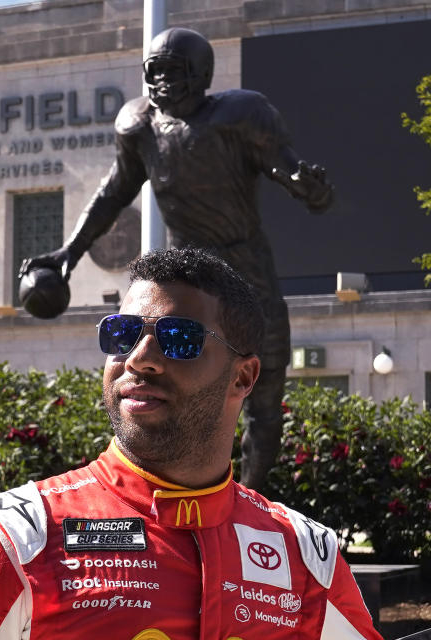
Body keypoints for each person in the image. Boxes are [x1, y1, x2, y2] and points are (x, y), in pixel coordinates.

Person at [0, 247, 381, 640]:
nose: (139, 358)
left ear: (243, 377)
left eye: (179, 339)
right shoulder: (10, 541)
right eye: (123, 333)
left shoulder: (307, 555)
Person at [20, 27, 333, 491]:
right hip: (185, 281)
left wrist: (308, 186)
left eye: (175, 69)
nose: (164, 80)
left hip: (246, 268)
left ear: (201, 74)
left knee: (262, 388)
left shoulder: (240, 115)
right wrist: (71, 252)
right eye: (157, 69)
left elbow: (286, 167)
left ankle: (247, 498)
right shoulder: (140, 125)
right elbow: (112, 193)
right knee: (165, 382)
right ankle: (161, 490)